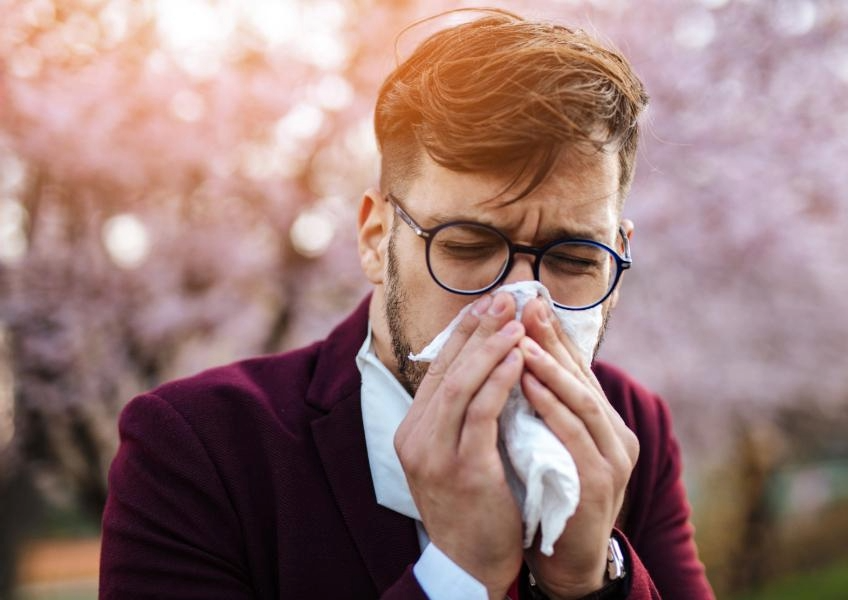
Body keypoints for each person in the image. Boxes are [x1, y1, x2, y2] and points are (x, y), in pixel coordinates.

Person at [100, 9, 715, 600]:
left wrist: (591, 582)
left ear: (618, 255)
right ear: (376, 240)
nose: (526, 307)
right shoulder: (199, 450)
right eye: (468, 246)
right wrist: (458, 576)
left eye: (576, 259)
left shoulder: (632, 430)